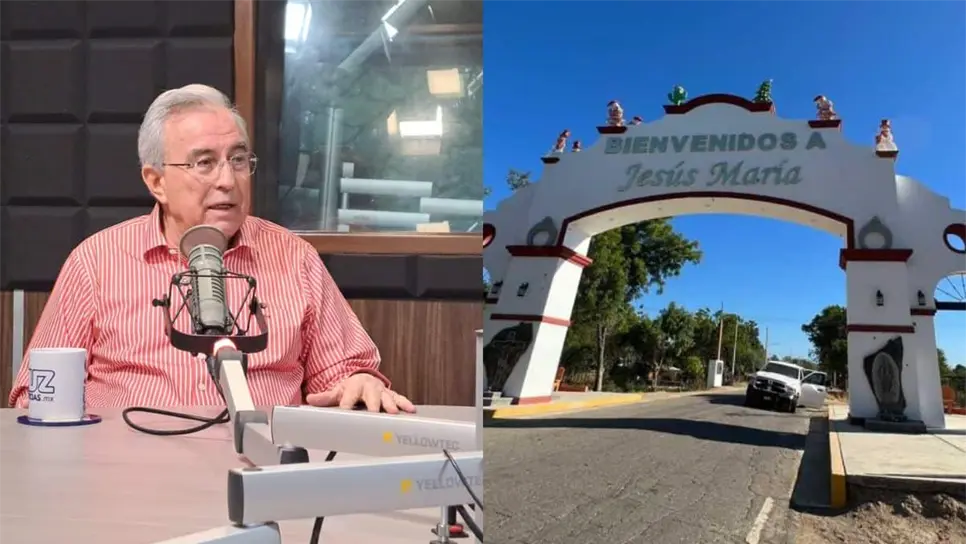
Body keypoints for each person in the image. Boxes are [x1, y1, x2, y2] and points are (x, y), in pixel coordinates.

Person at [8, 84, 415, 414]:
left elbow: (345, 373)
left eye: (238, 160)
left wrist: (361, 382)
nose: (228, 180)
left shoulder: (295, 258)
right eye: (204, 163)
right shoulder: (96, 262)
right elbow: (34, 392)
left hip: (262, 476)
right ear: (156, 182)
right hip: (126, 485)